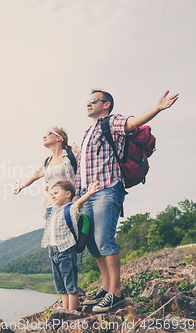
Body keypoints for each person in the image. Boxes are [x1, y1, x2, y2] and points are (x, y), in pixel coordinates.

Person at [76, 89, 179, 313]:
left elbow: (133, 122)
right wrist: (77, 198)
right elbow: (81, 169)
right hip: (89, 195)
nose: (89, 104)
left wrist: (157, 108)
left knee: (104, 240)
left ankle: (116, 293)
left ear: (106, 105)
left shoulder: (111, 121)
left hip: (107, 189)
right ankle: (105, 289)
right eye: (88, 101)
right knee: (92, 243)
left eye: (94, 100)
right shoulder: (87, 132)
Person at [42, 180, 100, 310]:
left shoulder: (71, 209)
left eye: (56, 193)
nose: (53, 196)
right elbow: (49, 198)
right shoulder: (55, 209)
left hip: (66, 251)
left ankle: (72, 313)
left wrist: (89, 193)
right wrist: (45, 191)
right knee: (61, 286)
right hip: (53, 251)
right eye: (52, 193)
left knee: (70, 286)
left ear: (68, 194)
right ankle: (65, 310)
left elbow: (80, 202)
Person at [13, 127, 79, 220]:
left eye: (49, 133)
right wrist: (22, 185)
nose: (44, 136)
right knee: (51, 234)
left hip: (68, 206)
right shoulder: (47, 162)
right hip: (50, 206)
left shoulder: (71, 155)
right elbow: (35, 175)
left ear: (59, 138)